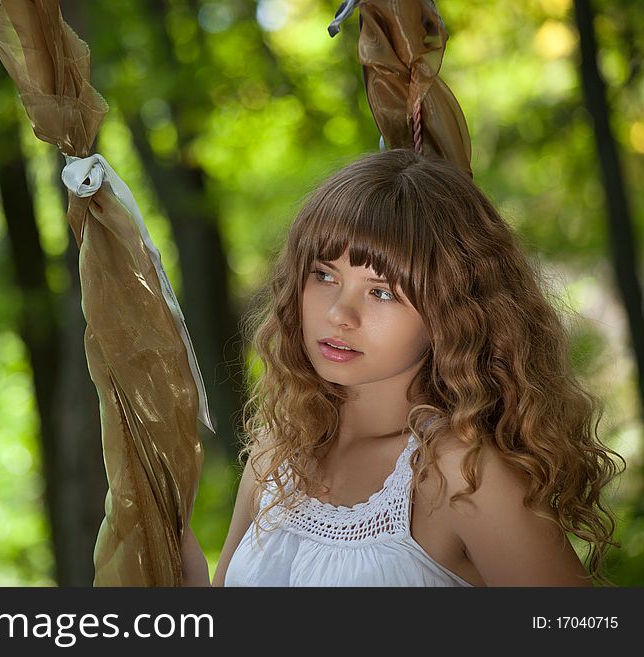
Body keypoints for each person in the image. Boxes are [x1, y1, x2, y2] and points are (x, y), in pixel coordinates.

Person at [179, 148, 623, 587]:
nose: (339, 314)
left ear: (452, 311)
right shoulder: (277, 453)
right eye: (325, 275)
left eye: (382, 292)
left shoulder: (461, 474)